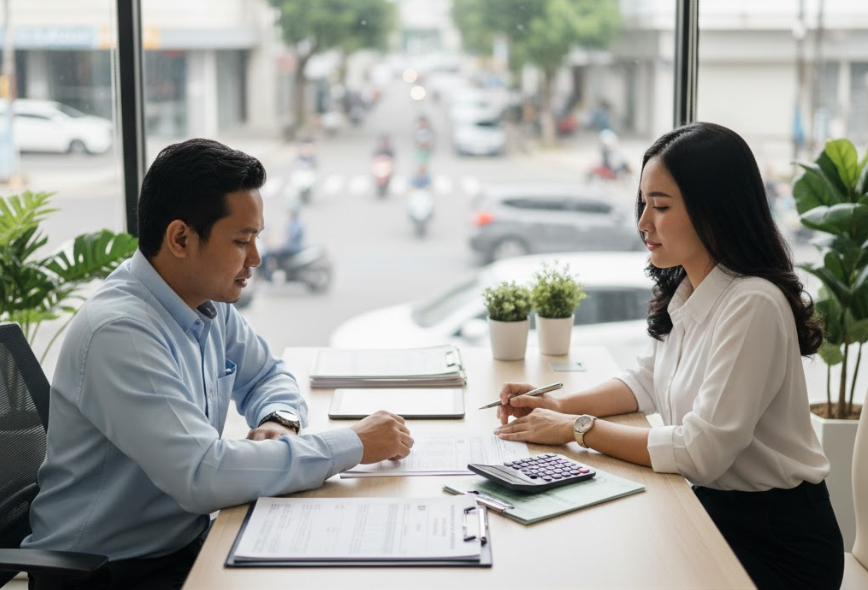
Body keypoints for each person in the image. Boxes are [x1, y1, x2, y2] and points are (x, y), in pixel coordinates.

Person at [22, 138, 414, 590]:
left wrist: (280, 421)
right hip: (106, 572)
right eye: (242, 240)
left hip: (182, 545)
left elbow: (268, 374)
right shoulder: (120, 333)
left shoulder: (203, 299)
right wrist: (353, 444)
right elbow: (202, 475)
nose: (256, 259)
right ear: (181, 238)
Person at [492, 122, 844, 590]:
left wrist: (578, 431)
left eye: (659, 207)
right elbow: (648, 380)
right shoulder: (688, 287)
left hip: (777, 543)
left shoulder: (753, 303)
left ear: (712, 210)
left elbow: (703, 451)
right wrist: (558, 406)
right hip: (719, 511)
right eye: (643, 205)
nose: (643, 224)